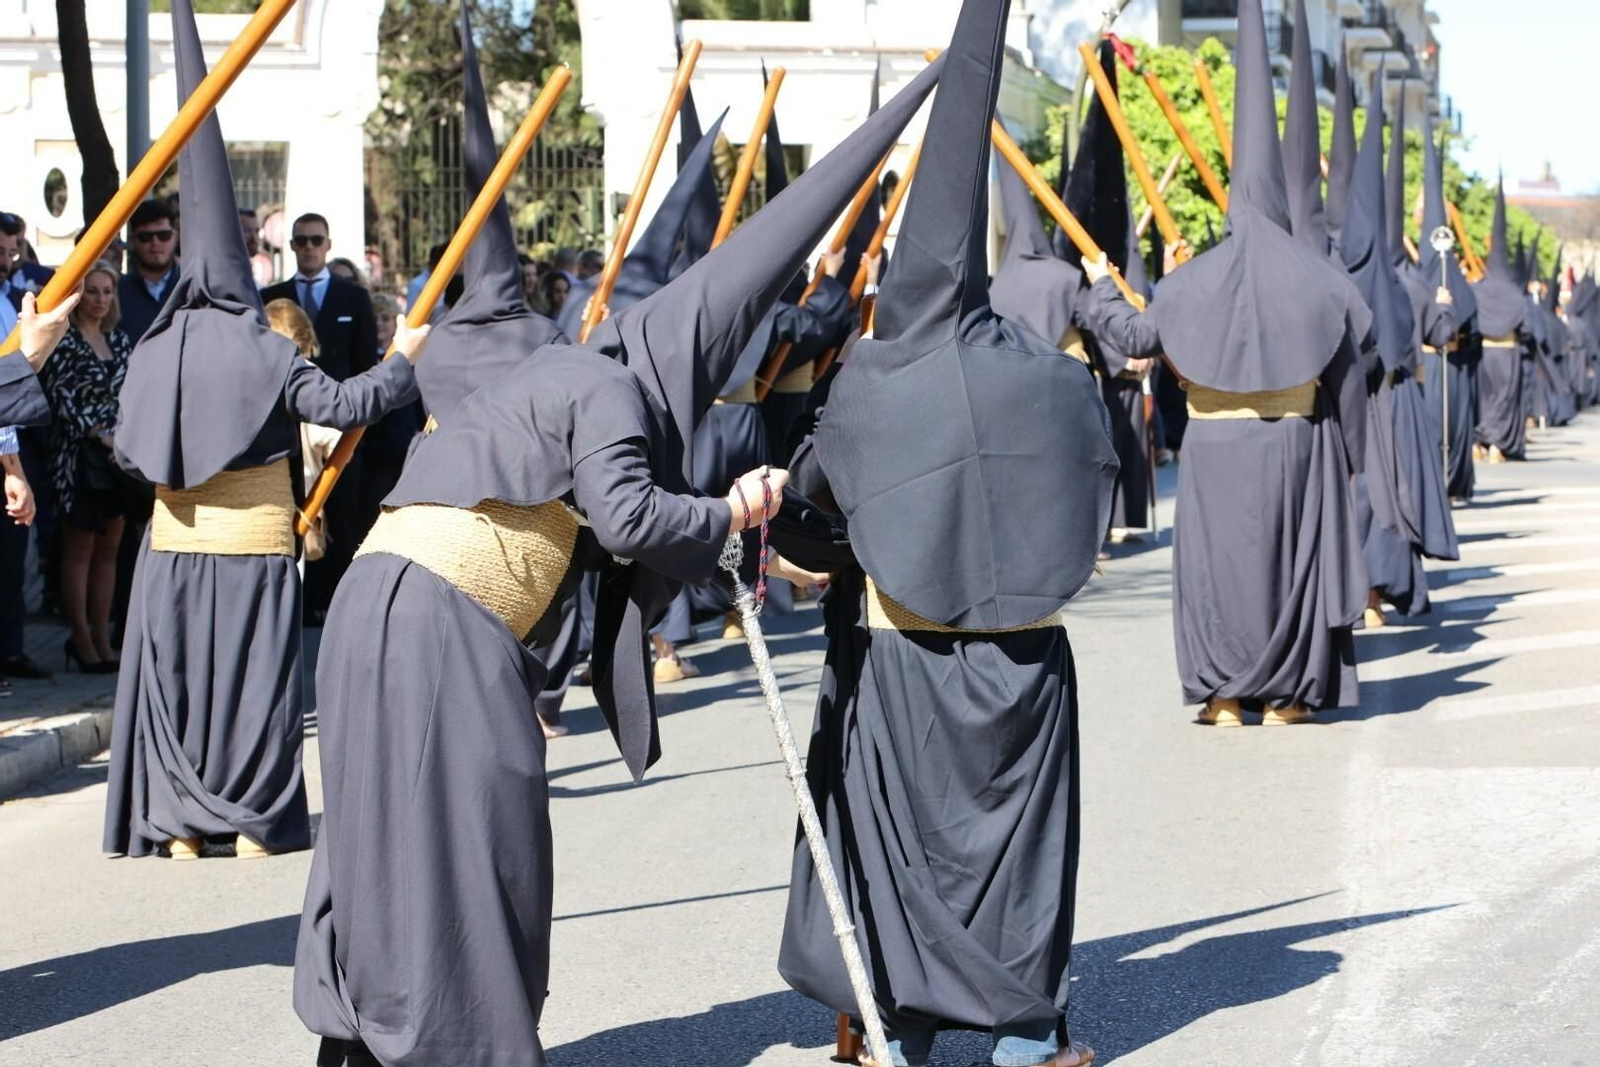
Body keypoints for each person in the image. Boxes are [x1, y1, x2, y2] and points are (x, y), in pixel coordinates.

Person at [293, 39, 940, 1067]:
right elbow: (633, 518)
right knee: (485, 840)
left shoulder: (562, 376)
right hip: (441, 620)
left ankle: (368, 1044)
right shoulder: (606, 389)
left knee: (384, 838)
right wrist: (731, 507)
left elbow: (610, 525)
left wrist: (750, 554)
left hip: (380, 604)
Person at [773, 7, 1111, 1066]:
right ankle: (1023, 1036)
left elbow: (813, 512)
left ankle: (901, 1029)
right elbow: (1098, 477)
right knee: (1018, 850)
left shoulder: (873, 376)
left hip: (904, 656)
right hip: (1024, 654)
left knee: (903, 849)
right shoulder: (1049, 373)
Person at [103, 0, 427, 861]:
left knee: (180, 680)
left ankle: (181, 823)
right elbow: (347, 406)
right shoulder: (266, 346)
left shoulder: (152, 346)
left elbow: (124, 444)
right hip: (252, 544)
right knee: (251, 684)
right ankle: (249, 820)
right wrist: (403, 360)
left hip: (172, 547)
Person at [1078, 0, 1365, 727]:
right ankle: (1288, 697)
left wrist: (1098, 287)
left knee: (1218, 573)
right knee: (1287, 569)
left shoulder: (1191, 279)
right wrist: (1353, 459)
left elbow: (1136, 336)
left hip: (1213, 448)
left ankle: (1226, 695)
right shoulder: (1321, 279)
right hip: (1296, 445)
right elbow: (1348, 377)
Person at [262, 212, 381, 618]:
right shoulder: (272, 296)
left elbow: (365, 364)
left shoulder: (353, 297)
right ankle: (299, 602)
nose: (309, 248)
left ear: (329, 245)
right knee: (293, 511)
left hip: (341, 427)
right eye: (301, 241)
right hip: (288, 426)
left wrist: (360, 426)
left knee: (343, 514)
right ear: (291, 246)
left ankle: (342, 604)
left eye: (316, 240)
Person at [37, 261, 135, 673]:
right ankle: (80, 639)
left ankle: (101, 636)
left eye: (107, 291)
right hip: (76, 458)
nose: (99, 299)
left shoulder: (120, 339)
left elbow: (134, 394)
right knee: (80, 548)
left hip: (117, 459)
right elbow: (59, 397)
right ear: (77, 296)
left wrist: (123, 439)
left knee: (110, 548)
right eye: (92, 291)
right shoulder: (63, 340)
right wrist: (99, 434)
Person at [265, 298, 343, 570]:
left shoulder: (255, 372)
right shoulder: (308, 376)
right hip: (299, 497)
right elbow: (335, 440)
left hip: (263, 497)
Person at [1472, 182, 1535, 463]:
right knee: (1503, 399)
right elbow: (1527, 329)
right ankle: (1497, 444)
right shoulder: (1514, 293)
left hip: (1482, 353)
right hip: (1507, 353)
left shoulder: (1478, 290)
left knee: (1483, 397)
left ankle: (1478, 442)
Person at [118, 199, 181, 342]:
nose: (155, 243)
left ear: (175, 237)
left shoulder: (195, 287)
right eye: (145, 237)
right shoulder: (115, 293)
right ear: (132, 241)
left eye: (164, 235)